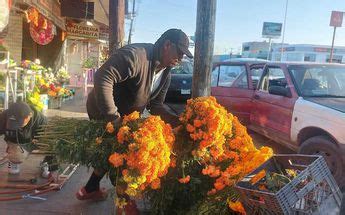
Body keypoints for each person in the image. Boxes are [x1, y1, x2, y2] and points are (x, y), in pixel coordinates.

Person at [76, 28, 193, 204]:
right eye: (180, 52)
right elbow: (103, 76)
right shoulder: (137, 56)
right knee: (123, 152)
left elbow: (156, 105)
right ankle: (125, 203)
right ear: (167, 45)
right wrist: (112, 117)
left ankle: (90, 189)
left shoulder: (166, 72)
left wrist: (180, 122)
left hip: (125, 115)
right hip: (102, 108)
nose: (181, 59)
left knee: (113, 150)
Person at [0, 101, 47, 174]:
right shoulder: (4, 116)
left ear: (30, 115)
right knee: (17, 157)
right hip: (15, 142)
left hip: (34, 141)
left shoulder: (41, 120)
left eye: (19, 122)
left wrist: (52, 167)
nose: (16, 126)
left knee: (48, 145)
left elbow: (48, 141)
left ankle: (46, 163)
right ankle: (13, 160)